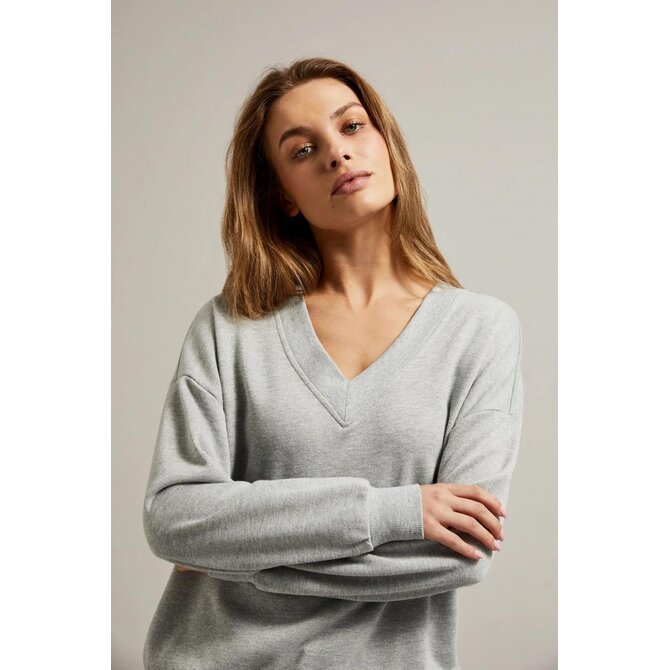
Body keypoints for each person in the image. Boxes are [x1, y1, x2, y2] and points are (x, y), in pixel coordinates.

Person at [142, 56, 523, 670]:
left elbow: (462, 551)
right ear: (283, 196)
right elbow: (173, 519)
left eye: (351, 126)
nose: (337, 154)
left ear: (386, 142)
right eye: (302, 150)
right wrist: (397, 512)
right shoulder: (229, 326)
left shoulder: (479, 331)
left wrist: (243, 557)